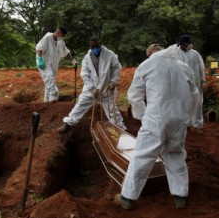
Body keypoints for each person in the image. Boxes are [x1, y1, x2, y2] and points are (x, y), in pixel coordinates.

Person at [114, 45, 200, 210]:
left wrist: (142, 116)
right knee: (175, 155)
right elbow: (195, 94)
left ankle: (127, 197)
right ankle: (180, 196)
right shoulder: (183, 66)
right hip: (179, 120)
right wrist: (188, 118)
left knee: (143, 156)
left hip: (156, 118)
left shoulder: (147, 65)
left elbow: (134, 95)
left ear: (150, 54)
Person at [59, 36, 126, 133]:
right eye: (92, 47)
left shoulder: (110, 55)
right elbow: (85, 74)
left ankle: (120, 129)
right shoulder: (87, 58)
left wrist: (113, 82)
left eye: (96, 46)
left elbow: (116, 68)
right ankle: (68, 124)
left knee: (112, 110)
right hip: (91, 90)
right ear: (90, 46)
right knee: (80, 105)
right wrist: (92, 89)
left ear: (100, 44)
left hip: (106, 89)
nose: (95, 49)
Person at [36, 26, 77, 103]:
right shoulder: (47, 37)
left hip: (54, 63)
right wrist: (40, 59)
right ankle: (54, 97)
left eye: (61, 36)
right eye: (59, 34)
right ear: (57, 31)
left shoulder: (60, 41)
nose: (60, 36)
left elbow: (66, 52)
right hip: (44, 62)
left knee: (50, 82)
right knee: (49, 78)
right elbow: (39, 48)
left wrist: (72, 60)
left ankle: (47, 102)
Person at [177, 35, 206, 135]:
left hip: (196, 83)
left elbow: (201, 68)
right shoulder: (175, 53)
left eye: (188, 44)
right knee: (183, 104)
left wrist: (203, 80)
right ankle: (186, 125)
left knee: (198, 104)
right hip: (181, 84)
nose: (187, 45)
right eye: (185, 44)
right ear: (181, 44)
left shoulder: (195, 54)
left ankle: (198, 126)